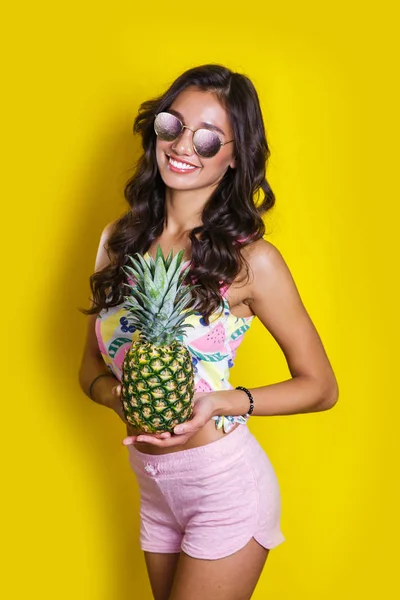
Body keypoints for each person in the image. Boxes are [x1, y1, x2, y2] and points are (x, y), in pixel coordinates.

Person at [78, 64, 339, 600]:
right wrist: (118, 396)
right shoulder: (118, 240)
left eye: (208, 138)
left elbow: (321, 387)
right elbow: (90, 370)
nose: (183, 146)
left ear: (235, 155)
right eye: (173, 125)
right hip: (155, 491)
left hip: (225, 487)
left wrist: (222, 401)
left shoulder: (251, 262)